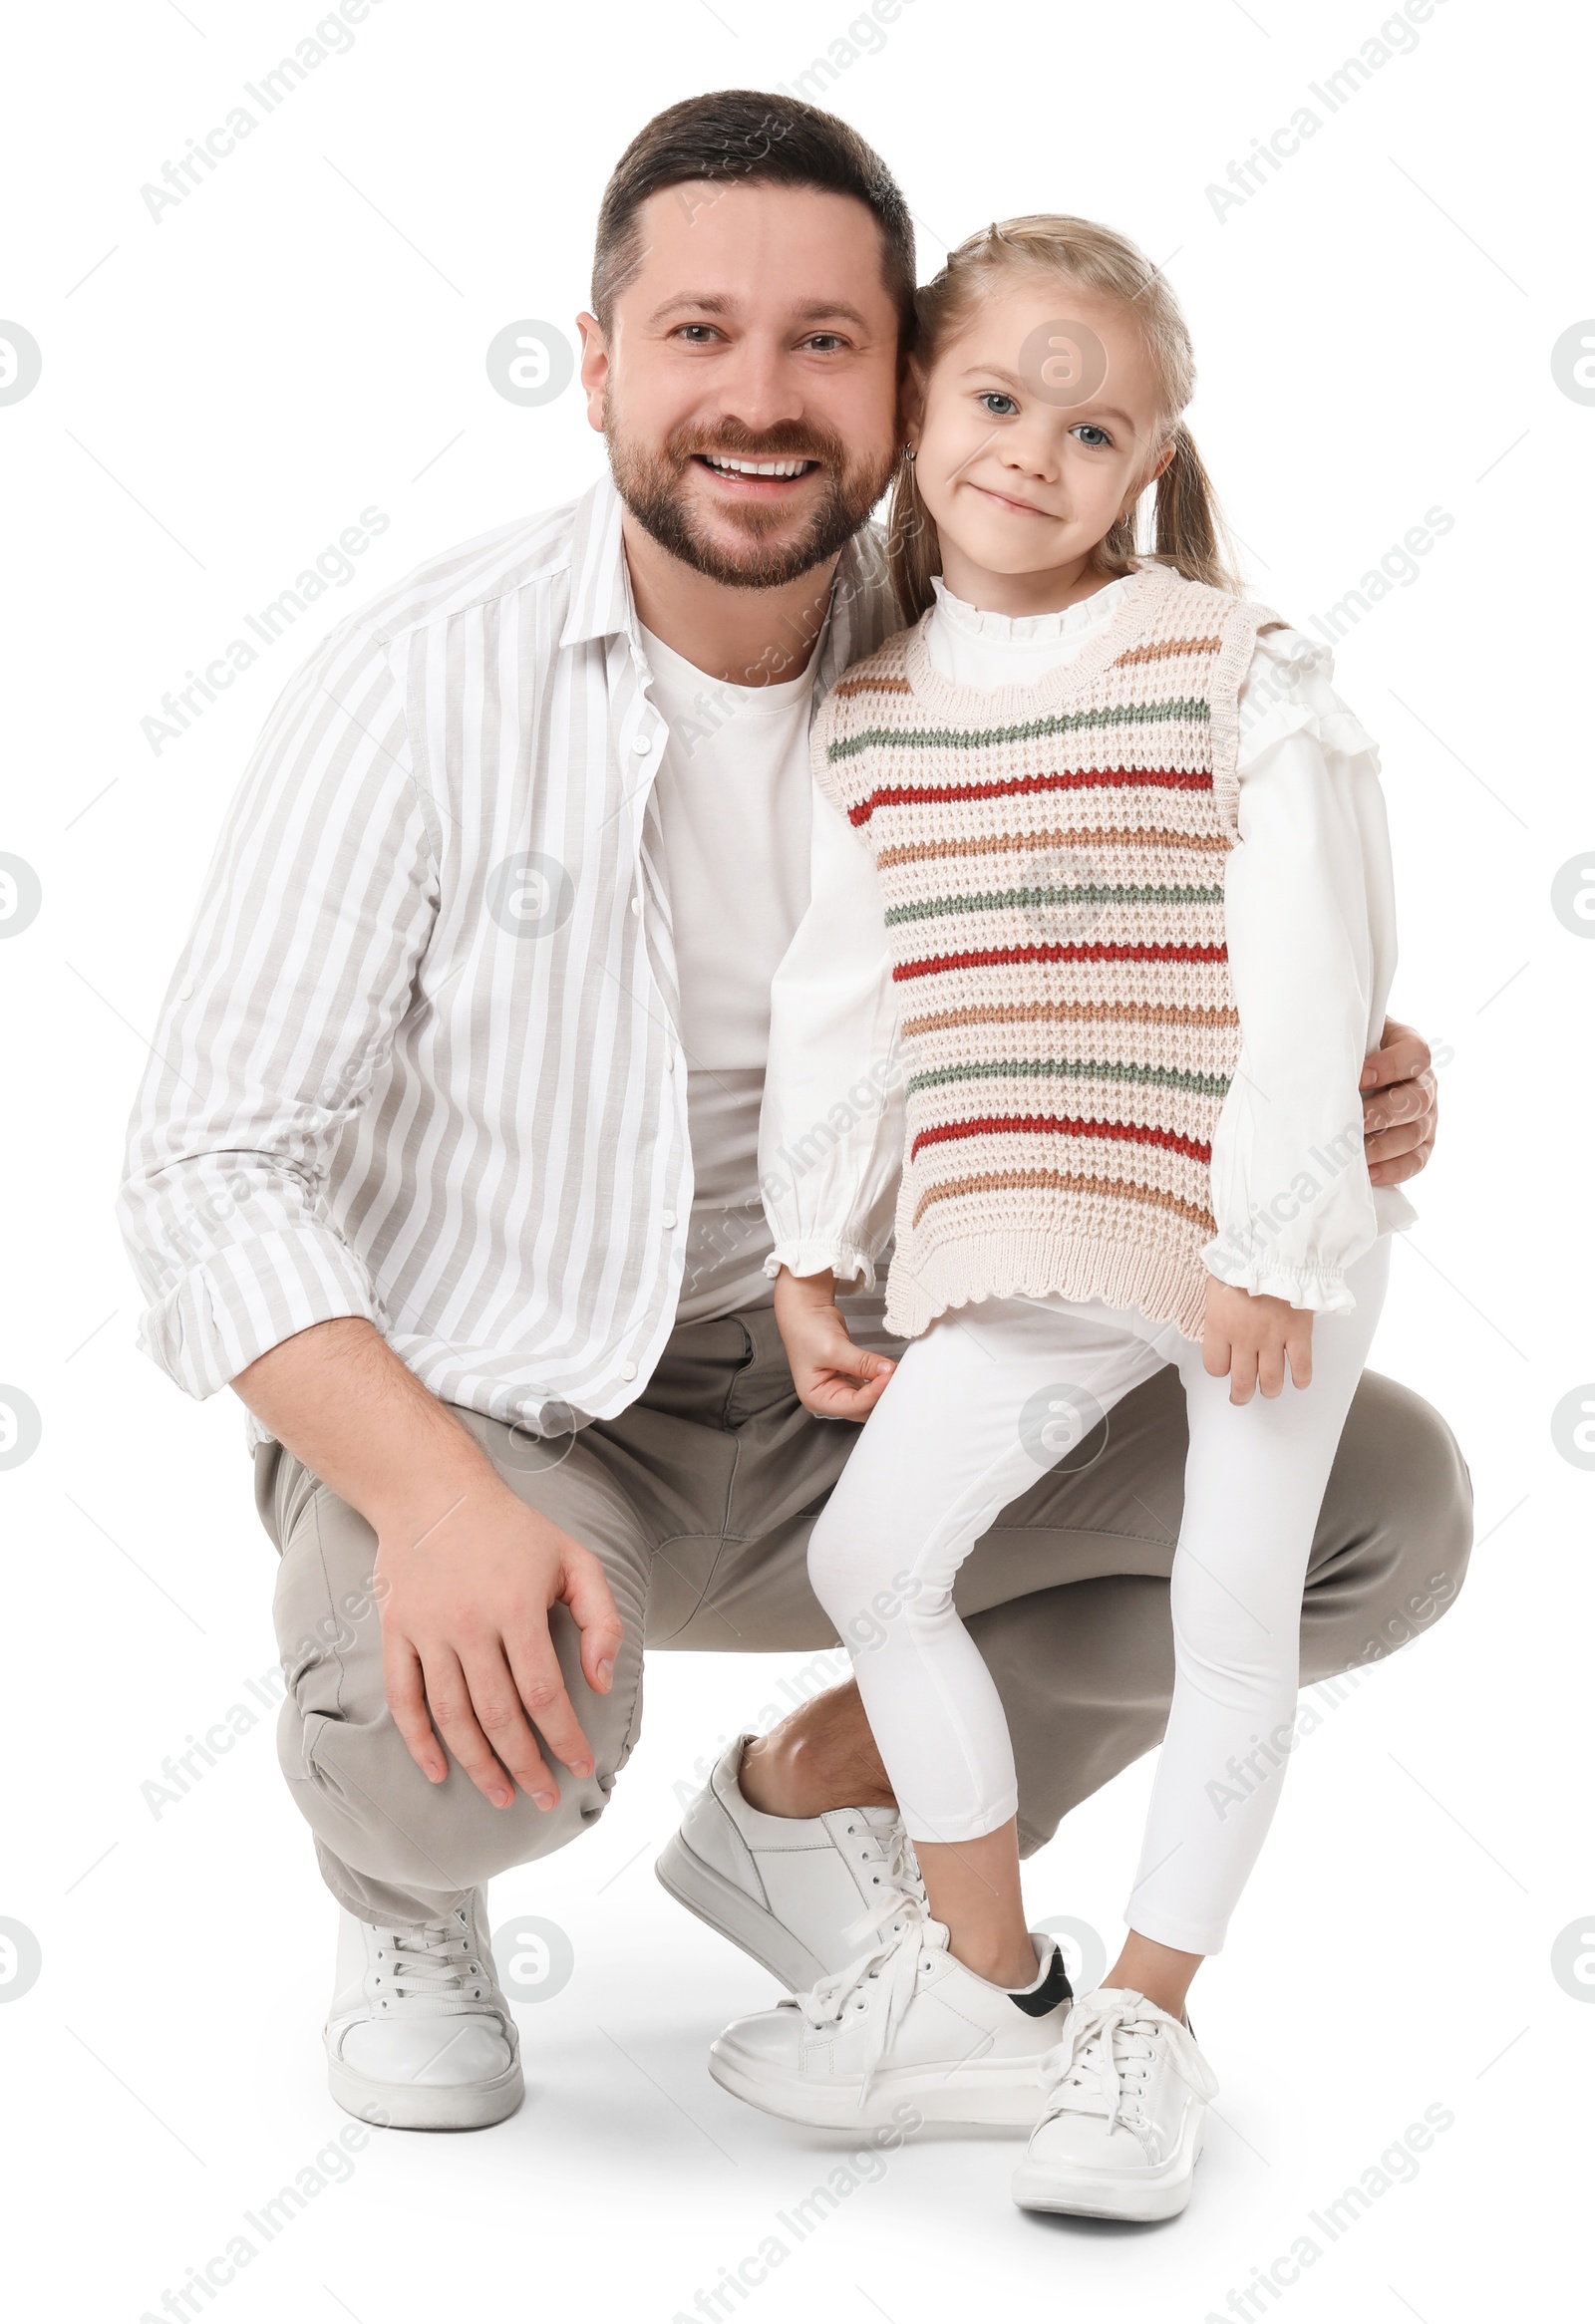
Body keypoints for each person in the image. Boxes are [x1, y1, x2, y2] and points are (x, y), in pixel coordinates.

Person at [115, 92, 1464, 2138]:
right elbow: (206, 1164)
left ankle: (820, 1802)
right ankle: (399, 1892)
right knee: (459, 1741)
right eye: (694, 335)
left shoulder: (986, 663)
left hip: (870, 1371)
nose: (757, 398)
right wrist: (431, 1494)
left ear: (911, 384)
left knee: (1378, 1517)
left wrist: (1327, 1075)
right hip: (516, 1407)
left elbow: (1159, 940)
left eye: (824, 341)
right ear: (592, 364)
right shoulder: (420, 684)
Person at [708, 213, 1423, 2219]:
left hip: (1242, 1229)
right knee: (874, 1559)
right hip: (1032, 1219)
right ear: (921, 398)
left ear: (1150, 462)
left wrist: (1275, 1239)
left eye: (1091, 428)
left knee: (1228, 1605)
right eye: (1000, 399)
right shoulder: (875, 715)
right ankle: (987, 1972)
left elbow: (1308, 960)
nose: (1034, 450)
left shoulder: (1224, 661)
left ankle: (1146, 2017)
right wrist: (805, 1241)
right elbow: (849, 999)